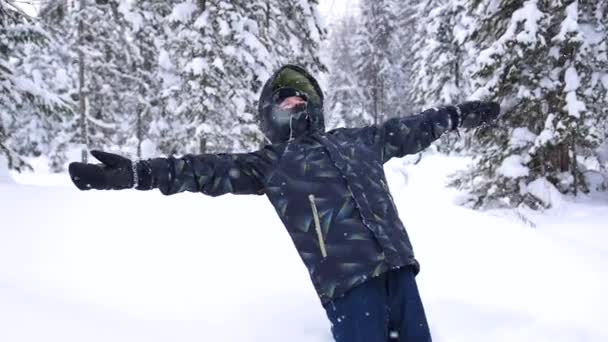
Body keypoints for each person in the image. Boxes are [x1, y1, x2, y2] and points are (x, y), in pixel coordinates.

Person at [69, 64, 500, 342]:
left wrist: (460, 114)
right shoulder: (272, 163)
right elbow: (202, 170)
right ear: (270, 114)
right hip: (347, 285)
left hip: (399, 270)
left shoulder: (358, 141)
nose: (295, 103)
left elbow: (415, 127)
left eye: (301, 98)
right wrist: (139, 174)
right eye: (285, 99)